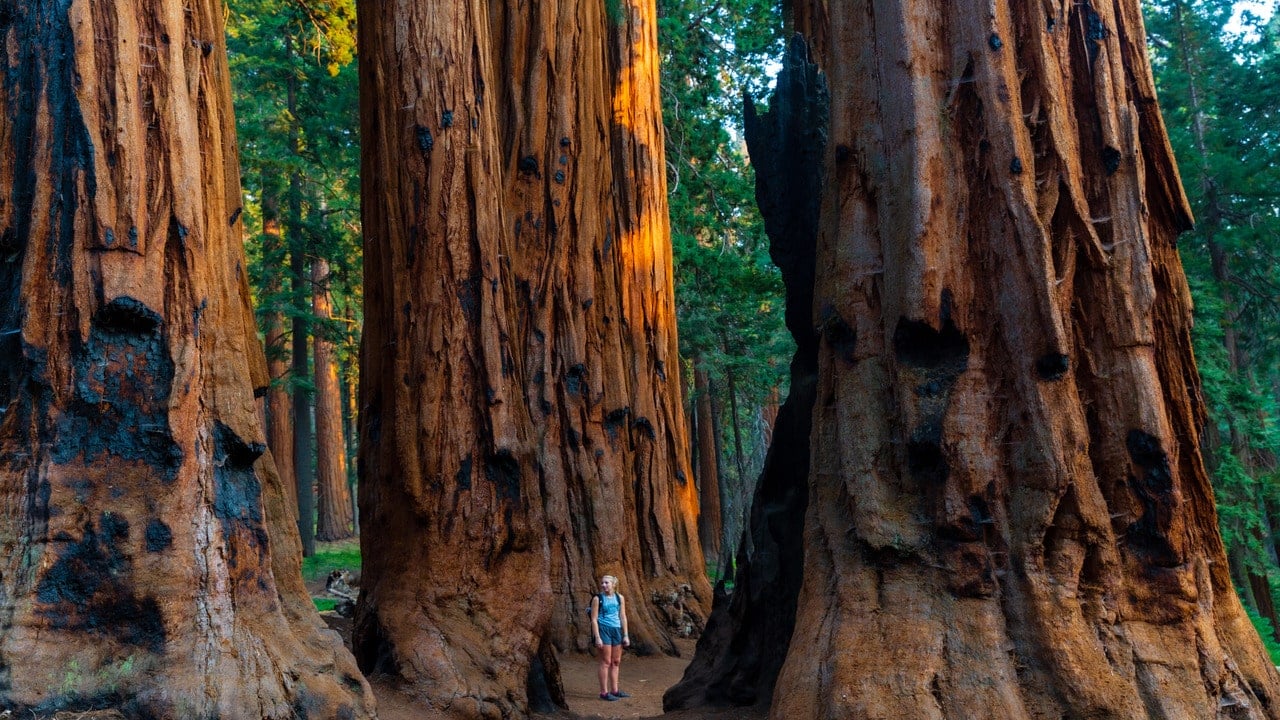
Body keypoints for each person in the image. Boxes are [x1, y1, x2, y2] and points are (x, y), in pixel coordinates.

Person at [590, 575, 631, 701]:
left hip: (616, 629)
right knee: (606, 662)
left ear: (613, 584)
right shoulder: (598, 599)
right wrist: (597, 637)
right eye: (602, 583)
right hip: (604, 630)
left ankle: (615, 690)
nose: (603, 585)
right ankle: (604, 692)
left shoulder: (620, 598)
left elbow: (623, 616)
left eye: (606, 583)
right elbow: (594, 619)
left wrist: (626, 635)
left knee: (616, 661)